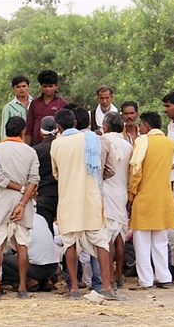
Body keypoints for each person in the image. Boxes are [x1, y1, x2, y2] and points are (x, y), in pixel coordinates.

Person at [50, 108, 124, 300]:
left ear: (58, 126)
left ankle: (74, 287)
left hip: (68, 199)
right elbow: (104, 169)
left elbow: (56, 174)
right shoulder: (93, 139)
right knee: (101, 243)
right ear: (75, 122)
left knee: (69, 244)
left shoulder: (56, 145)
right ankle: (107, 286)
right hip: (91, 197)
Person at [0, 116, 40, 299]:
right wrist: (23, 200)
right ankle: (22, 288)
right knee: (22, 246)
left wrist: (18, 187)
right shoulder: (30, 152)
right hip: (24, 203)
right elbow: (34, 180)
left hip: (1, 203)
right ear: (23, 131)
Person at [128, 112, 174, 290]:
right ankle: (164, 277)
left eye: (141, 125)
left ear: (147, 126)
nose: (139, 128)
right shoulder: (170, 144)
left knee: (142, 243)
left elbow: (136, 171)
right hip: (164, 198)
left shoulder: (142, 142)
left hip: (144, 197)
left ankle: (146, 280)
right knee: (161, 242)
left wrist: (131, 194)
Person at [101, 112, 133, 288]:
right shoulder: (127, 146)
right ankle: (119, 275)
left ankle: (109, 278)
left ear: (105, 126)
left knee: (108, 237)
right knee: (120, 234)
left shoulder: (103, 142)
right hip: (122, 191)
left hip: (107, 191)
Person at [1, 211, 60, 292]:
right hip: (54, 267)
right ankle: (46, 281)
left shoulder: (15, 220)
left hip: (36, 268)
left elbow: (11, 249)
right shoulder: (40, 217)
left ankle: (28, 281)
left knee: (0, 260)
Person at [25, 70, 68, 146]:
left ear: (56, 86)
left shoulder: (63, 104)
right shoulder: (35, 103)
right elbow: (29, 128)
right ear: (41, 86)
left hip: (56, 144)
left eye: (50, 86)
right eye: (45, 86)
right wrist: (27, 147)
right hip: (36, 144)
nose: (48, 89)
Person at [34, 115, 58, 233]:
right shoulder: (61, 146)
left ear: (41, 131)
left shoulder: (36, 150)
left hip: (44, 194)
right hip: (62, 193)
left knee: (46, 230)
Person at [1, 75, 32, 139]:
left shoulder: (35, 104)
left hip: (33, 142)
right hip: (16, 142)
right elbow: (4, 129)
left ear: (28, 87)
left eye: (24, 86)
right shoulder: (9, 107)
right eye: (18, 87)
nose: (21, 89)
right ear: (13, 88)